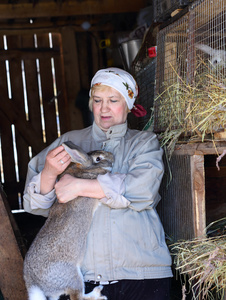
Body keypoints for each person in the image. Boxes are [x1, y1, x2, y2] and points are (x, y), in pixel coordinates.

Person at [23, 67, 173, 300]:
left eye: (113, 100)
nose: (104, 108)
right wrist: (50, 173)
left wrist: (79, 186)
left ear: (129, 104)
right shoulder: (69, 142)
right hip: (85, 278)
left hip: (142, 272)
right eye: (97, 100)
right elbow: (35, 206)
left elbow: (144, 191)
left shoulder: (143, 143)